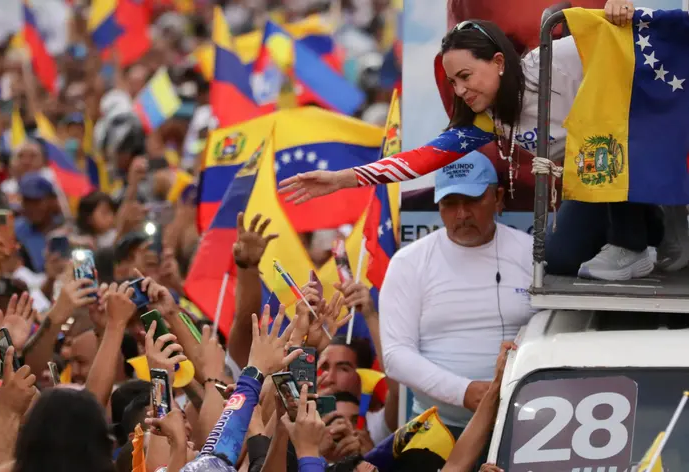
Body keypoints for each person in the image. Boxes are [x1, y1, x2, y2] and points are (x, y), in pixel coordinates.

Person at [279, 0, 667, 282]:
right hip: (602, 183)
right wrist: (342, 178)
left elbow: (631, 52)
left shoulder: (558, 57)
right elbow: (420, 159)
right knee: (561, 260)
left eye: (466, 75)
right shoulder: (487, 120)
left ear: (499, 62)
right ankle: (657, 229)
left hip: (649, 146)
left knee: (611, 134)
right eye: (453, 82)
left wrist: (620, 14)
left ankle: (641, 236)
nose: (460, 90)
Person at [378, 152, 535, 435]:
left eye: (472, 201)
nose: (462, 214)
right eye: (450, 204)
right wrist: (465, 392)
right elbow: (395, 355)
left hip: (522, 424)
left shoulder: (531, 254)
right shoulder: (409, 262)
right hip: (436, 429)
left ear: (498, 198)